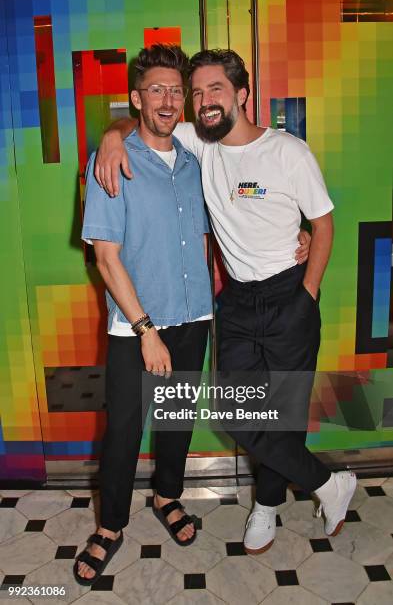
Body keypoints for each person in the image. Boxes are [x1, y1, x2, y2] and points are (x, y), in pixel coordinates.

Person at [95, 48, 356, 557]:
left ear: (242, 93)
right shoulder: (198, 141)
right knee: (238, 414)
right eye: (196, 93)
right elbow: (147, 117)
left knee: (284, 414)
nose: (201, 100)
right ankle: (328, 483)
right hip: (234, 301)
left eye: (214, 89)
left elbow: (322, 224)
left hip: (289, 293)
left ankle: (267, 505)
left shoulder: (288, 151)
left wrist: (307, 292)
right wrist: (109, 136)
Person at [74, 45, 214, 586]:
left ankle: (167, 496)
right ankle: (110, 526)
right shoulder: (113, 158)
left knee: (176, 421)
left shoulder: (193, 160)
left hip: (193, 316)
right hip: (137, 326)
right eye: (156, 89)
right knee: (125, 431)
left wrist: (294, 231)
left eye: (176, 90)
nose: (169, 99)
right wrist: (145, 330)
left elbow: (237, 205)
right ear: (135, 99)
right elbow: (105, 256)